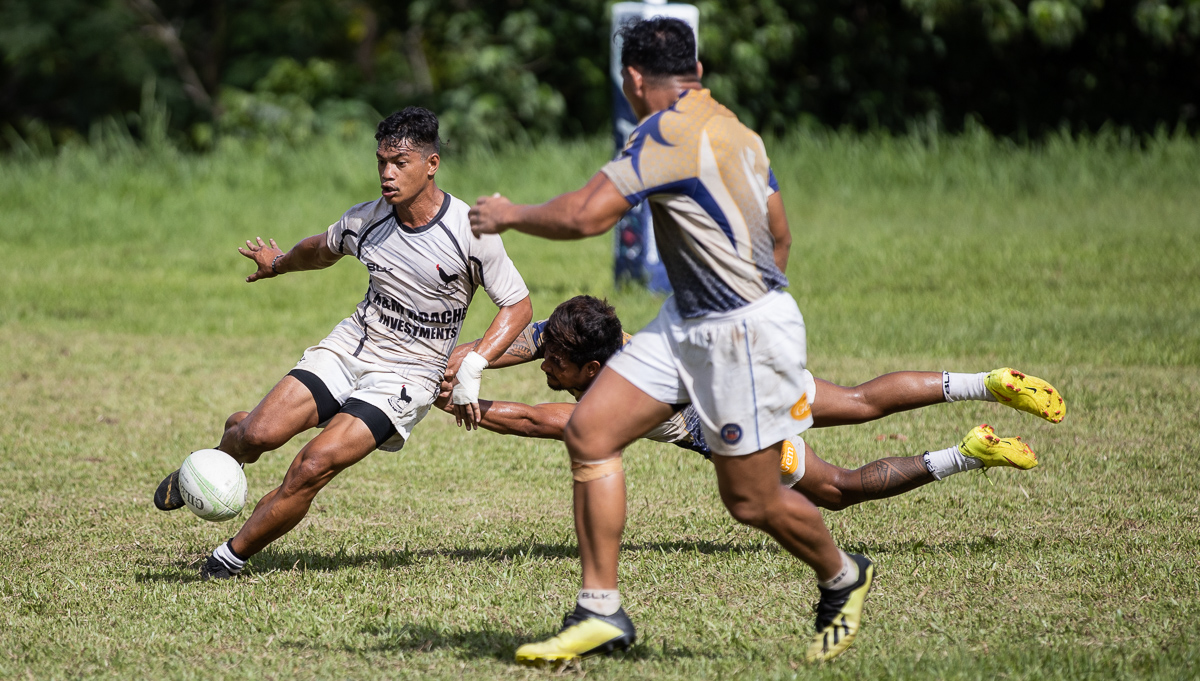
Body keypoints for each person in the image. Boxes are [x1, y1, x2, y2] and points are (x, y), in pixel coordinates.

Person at [469, 17, 1043, 665]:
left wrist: (509, 214)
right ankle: (600, 611)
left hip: (735, 332)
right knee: (591, 432)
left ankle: (842, 573)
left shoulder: (662, 134)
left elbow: (584, 215)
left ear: (631, 77)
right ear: (697, 70)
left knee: (752, 499)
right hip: (688, 319)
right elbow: (778, 229)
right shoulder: (738, 129)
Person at [152, 107, 533, 580]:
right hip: (351, 347)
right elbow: (321, 249)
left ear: (431, 164)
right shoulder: (368, 220)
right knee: (256, 435)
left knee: (311, 465)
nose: (387, 175)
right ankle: (217, 461)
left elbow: (518, 307)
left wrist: (474, 366)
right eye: (381, 163)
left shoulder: (471, 232)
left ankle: (226, 560)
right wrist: (278, 263)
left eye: (400, 163)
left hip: (407, 376)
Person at [443, 295, 1060, 509]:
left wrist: (457, 402)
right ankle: (985, 380)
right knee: (861, 400)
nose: (543, 364)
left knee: (836, 490)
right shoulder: (595, 332)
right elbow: (527, 337)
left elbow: (533, 418)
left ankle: (970, 451)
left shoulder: (616, 395)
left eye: (555, 363)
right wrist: (465, 363)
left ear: (594, 369)